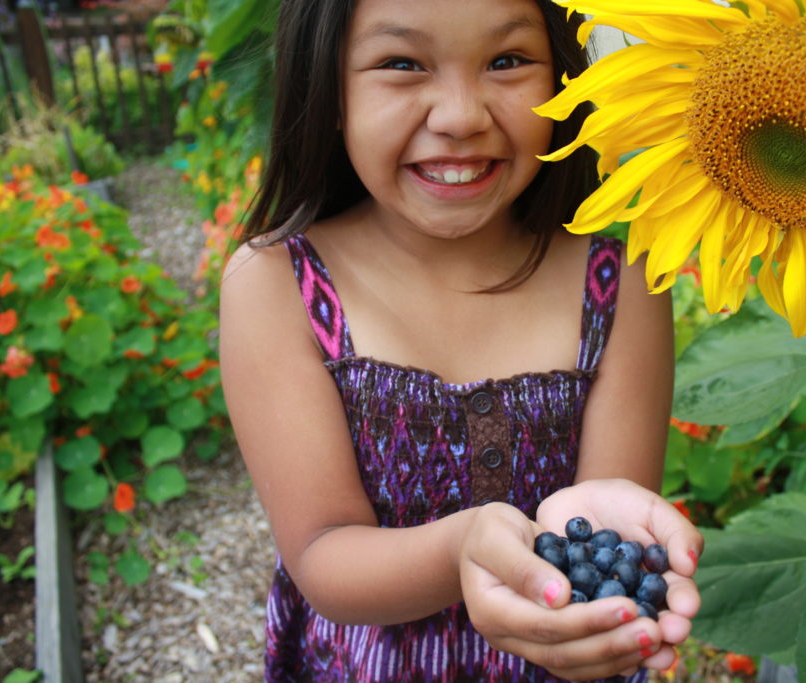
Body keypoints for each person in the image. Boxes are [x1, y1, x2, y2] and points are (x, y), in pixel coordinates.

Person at [219, 0, 704, 680]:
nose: (460, 115)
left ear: (565, 82)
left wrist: (613, 558)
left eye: (506, 61)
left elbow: (604, 539)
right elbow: (322, 554)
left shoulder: (621, 288)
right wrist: (465, 549)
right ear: (328, 90)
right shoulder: (280, 286)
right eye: (401, 64)